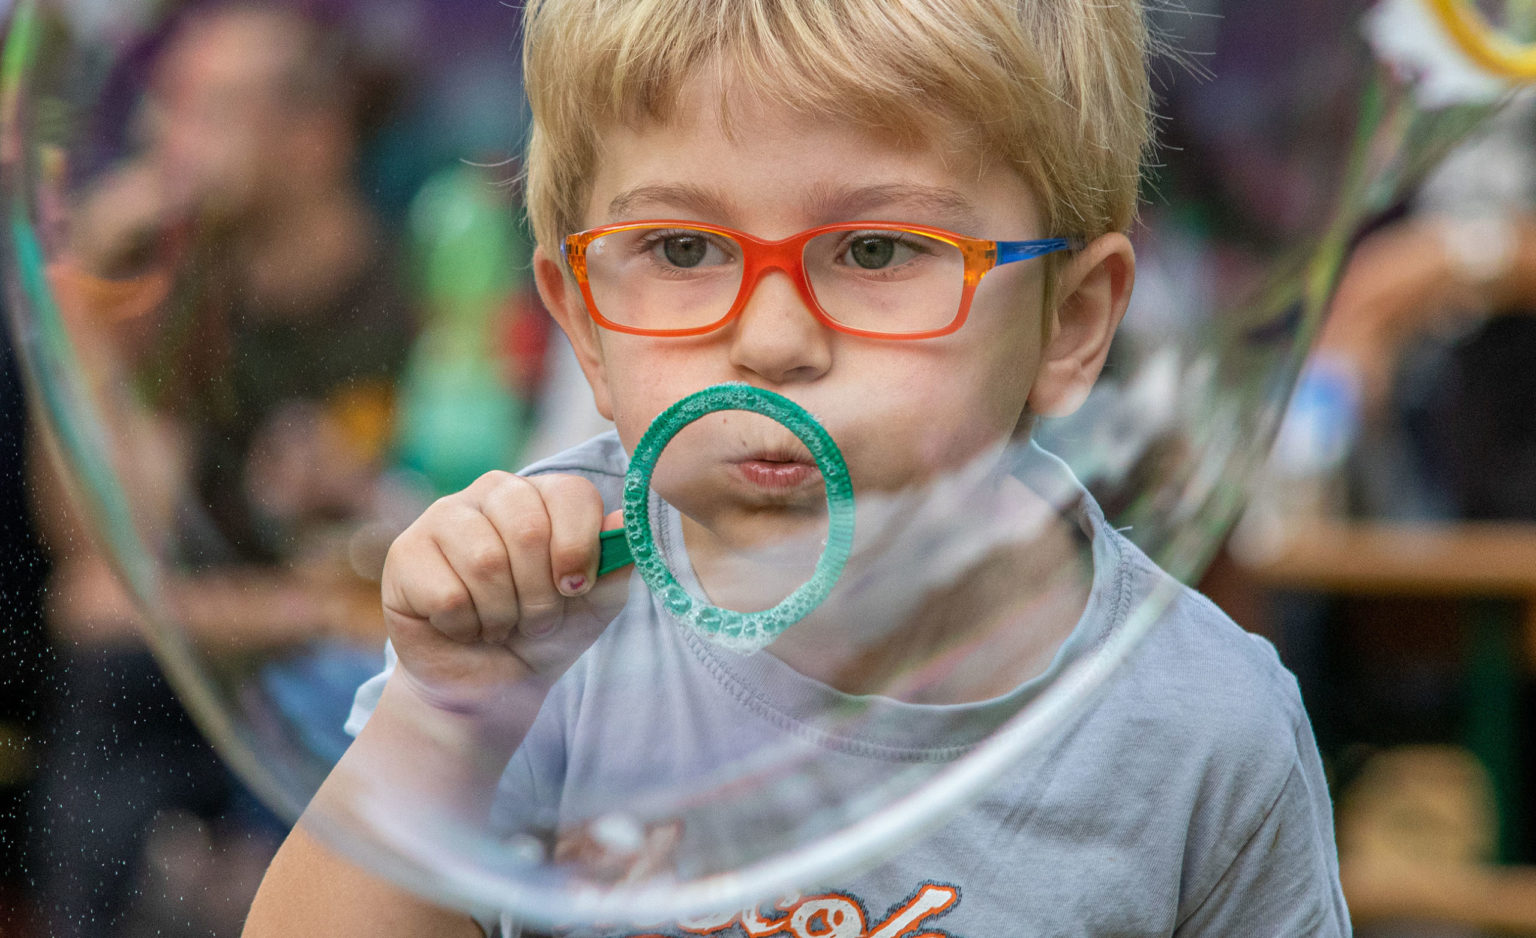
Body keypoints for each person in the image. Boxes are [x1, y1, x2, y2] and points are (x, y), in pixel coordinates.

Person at [244, 0, 1350, 934]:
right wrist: (446, 718)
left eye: (876, 250)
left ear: (1073, 320)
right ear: (584, 321)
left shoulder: (1202, 729)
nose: (772, 340)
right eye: (682, 249)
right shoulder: (546, 609)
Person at [30, 5, 415, 935]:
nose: (168, 147)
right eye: (162, 113)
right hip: (213, 690)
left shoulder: (425, 305)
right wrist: (85, 329)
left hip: (366, 692)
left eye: (207, 111)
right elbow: (100, 584)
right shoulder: (183, 307)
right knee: (114, 685)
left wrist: (315, 610)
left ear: (314, 135)